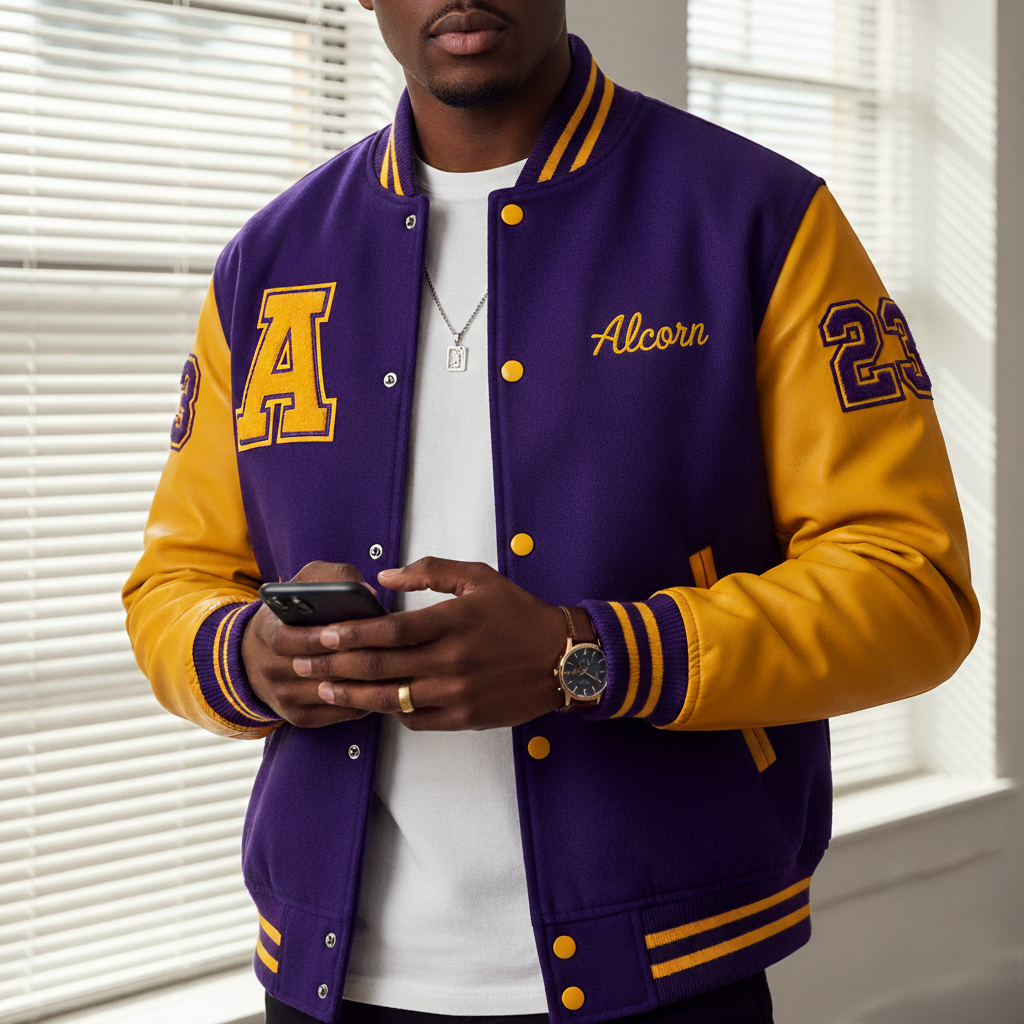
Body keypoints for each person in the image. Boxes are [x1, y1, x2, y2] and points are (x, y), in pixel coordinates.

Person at [122, 2, 980, 1023]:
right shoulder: (270, 260)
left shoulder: (760, 218)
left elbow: (909, 587)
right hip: (327, 978)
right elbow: (175, 585)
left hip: (667, 968)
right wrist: (251, 654)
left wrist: (585, 654)